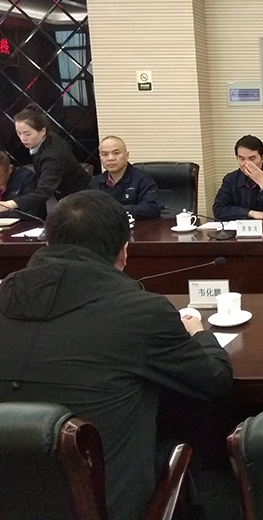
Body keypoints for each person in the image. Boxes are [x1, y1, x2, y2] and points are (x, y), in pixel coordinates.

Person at [0, 190, 233, 520]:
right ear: (124, 251)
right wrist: (200, 333)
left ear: (48, 243)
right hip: (105, 508)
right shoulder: (141, 313)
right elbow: (215, 380)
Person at [0, 103, 89, 216]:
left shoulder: (53, 155)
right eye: (19, 133)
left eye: (27, 134)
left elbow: (44, 191)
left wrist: (9, 204)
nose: (22, 138)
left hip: (83, 199)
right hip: (68, 197)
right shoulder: (47, 138)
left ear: (42, 131)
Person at [212, 134, 263, 221]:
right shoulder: (231, 179)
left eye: (252, 158)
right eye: (242, 159)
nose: (246, 163)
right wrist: (251, 213)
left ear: (262, 158)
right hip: (242, 227)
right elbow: (219, 210)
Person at [89, 135, 160, 219]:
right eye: (105, 154)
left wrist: (115, 210)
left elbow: (152, 208)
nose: (110, 158)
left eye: (116, 153)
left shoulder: (142, 179)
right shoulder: (95, 182)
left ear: (127, 155)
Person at [0, 149, 42, 219]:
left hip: (27, 223)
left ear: (10, 169)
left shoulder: (27, 178)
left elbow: (33, 212)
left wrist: (3, 212)